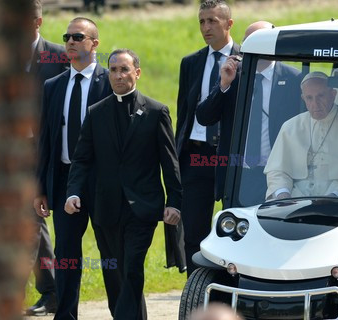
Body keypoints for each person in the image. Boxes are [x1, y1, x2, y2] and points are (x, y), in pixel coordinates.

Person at [64, 49, 182, 319]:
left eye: (124, 69)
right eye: (114, 70)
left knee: (131, 268)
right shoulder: (96, 113)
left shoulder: (156, 111)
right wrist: (73, 193)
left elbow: (169, 162)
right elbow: (81, 159)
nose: (118, 75)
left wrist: (174, 202)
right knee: (114, 272)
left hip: (143, 208)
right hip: (105, 208)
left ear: (137, 73)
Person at [34, 17, 120, 319]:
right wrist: (41, 188)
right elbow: (46, 140)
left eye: (78, 37)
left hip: (103, 182)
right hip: (65, 180)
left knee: (111, 254)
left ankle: (125, 313)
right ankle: (65, 315)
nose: (71, 41)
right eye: (67, 36)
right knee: (67, 254)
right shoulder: (53, 85)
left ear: (94, 44)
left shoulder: (110, 81)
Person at [196, 21, 301, 206]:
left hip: (278, 175)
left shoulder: (293, 79)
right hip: (238, 174)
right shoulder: (233, 76)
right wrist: (224, 85)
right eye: (248, 42)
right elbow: (204, 117)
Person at [175, 0, 240, 277]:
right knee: (193, 232)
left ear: (228, 24)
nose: (206, 27)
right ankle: (195, 293)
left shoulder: (246, 59)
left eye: (212, 20)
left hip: (232, 156)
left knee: (235, 230)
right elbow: (184, 113)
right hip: (195, 155)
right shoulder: (191, 63)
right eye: (202, 21)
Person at [264, 72, 338, 200]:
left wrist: (334, 197)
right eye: (309, 98)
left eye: (321, 96)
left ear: (333, 95)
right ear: (303, 98)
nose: (315, 104)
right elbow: (277, 170)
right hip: (295, 202)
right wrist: (283, 195)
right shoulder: (290, 127)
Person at [25, 0, 68, 316]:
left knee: (33, 218)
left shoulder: (57, 55)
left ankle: (50, 291)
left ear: (37, 23)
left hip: (44, 152)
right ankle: (50, 291)